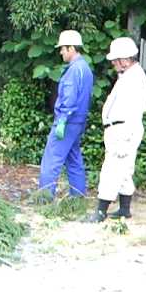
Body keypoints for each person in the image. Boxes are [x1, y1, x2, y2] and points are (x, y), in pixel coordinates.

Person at [87, 37, 146, 222]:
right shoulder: (130, 76)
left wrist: (126, 137)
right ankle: (124, 209)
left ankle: (100, 212)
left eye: (116, 60)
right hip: (121, 128)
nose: (113, 63)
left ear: (125, 59)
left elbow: (136, 110)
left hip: (124, 129)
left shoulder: (134, 78)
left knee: (111, 169)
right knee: (124, 170)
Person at [38, 30, 94, 199]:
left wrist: (62, 120)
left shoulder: (73, 70)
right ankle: (77, 197)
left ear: (71, 48)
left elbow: (69, 98)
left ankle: (44, 199)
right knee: (74, 159)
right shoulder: (85, 68)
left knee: (51, 160)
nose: (61, 52)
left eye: (62, 48)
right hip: (78, 122)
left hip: (67, 122)